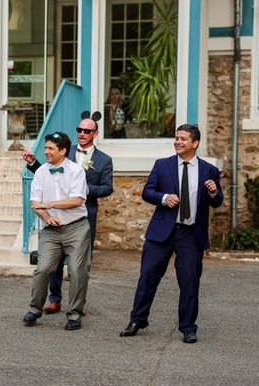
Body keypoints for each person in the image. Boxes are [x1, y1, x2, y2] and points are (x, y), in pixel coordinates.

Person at [120, 124, 223, 343]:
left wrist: (214, 191)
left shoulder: (208, 170)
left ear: (195, 143)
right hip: (161, 232)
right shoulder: (162, 165)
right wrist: (164, 198)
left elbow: (217, 201)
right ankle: (137, 319)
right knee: (147, 277)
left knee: (189, 282)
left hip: (190, 234)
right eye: (176, 138)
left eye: (183, 139)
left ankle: (188, 327)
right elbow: (147, 192)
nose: (177, 142)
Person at [23, 111, 113, 314]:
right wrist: (32, 162)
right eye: (79, 130)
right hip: (53, 221)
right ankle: (55, 299)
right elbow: (47, 171)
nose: (81, 133)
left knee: (79, 267)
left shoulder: (103, 160)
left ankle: (77, 306)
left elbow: (107, 188)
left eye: (86, 131)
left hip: (82, 216)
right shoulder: (65, 150)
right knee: (49, 265)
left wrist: (83, 190)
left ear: (94, 134)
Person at [22, 132, 91, 331]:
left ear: (63, 150)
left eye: (51, 148)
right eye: (46, 148)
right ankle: (35, 309)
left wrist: (50, 204)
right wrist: (46, 216)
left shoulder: (77, 171)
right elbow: (35, 202)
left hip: (76, 227)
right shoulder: (41, 172)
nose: (46, 152)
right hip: (50, 229)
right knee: (43, 269)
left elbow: (77, 200)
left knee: (78, 271)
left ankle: (75, 314)